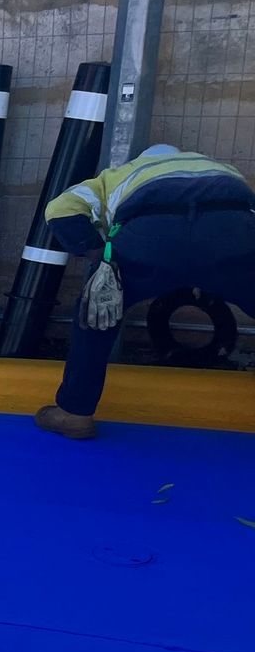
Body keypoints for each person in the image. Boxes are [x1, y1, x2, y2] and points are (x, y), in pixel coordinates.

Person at [34, 145, 255, 439]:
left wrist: (102, 255)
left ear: (141, 160)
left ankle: (75, 413)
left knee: (96, 316)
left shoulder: (116, 175)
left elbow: (59, 209)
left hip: (149, 236)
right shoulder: (218, 167)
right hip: (231, 230)